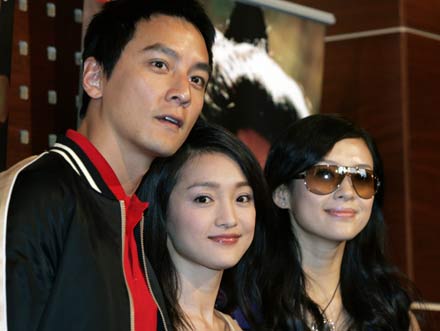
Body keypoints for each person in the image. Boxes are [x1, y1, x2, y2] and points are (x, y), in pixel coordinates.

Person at [0, 0, 215, 330]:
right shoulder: (35, 193)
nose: (183, 92)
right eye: (160, 64)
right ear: (94, 77)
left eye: (197, 79)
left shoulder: (138, 220)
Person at [259, 114, 420, 330]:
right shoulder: (246, 307)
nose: (347, 192)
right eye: (324, 175)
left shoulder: (392, 311)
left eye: (362, 177)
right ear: (282, 194)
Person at [139, 122, 272, 331]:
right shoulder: (133, 319)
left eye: (242, 198)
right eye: (203, 199)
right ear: (161, 206)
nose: (229, 219)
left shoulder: (236, 325)